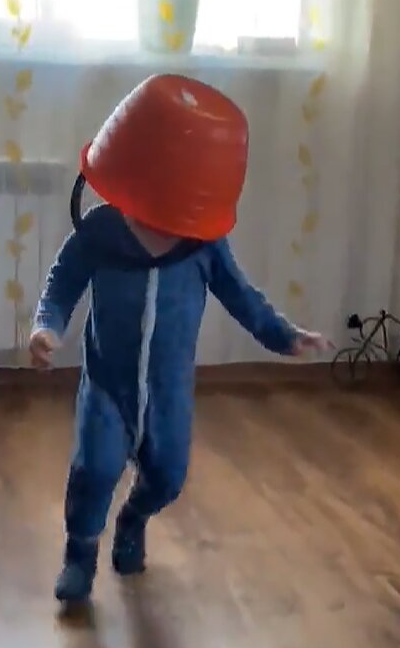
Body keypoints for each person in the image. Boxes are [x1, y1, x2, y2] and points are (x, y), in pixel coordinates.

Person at [31, 74, 331, 605]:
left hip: (169, 391)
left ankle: (133, 520)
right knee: (95, 468)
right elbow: (62, 283)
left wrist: (284, 336)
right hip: (107, 383)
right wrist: (46, 326)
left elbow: (243, 297)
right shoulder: (101, 232)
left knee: (168, 475)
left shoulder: (203, 245)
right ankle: (79, 555)